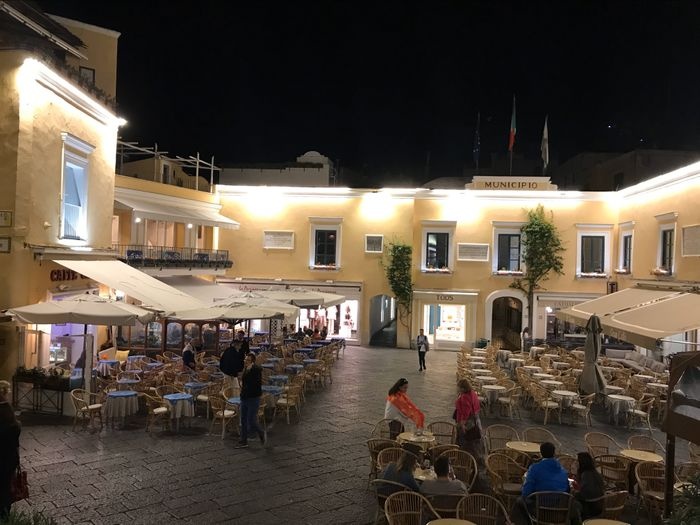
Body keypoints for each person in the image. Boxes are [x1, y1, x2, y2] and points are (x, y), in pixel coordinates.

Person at [511, 442, 569, 525]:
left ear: (541, 453)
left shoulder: (535, 468)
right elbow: (567, 489)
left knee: (519, 501)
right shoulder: (563, 471)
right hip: (560, 510)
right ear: (554, 453)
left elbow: (525, 493)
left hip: (540, 509)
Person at [236, 352, 266, 448]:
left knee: (251, 420)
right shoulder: (246, 368)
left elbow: (256, 383)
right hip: (244, 397)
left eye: (248, 360)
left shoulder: (256, 369)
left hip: (253, 398)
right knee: (243, 420)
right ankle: (243, 440)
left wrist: (246, 387)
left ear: (252, 361)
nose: (245, 361)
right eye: (245, 359)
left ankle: (260, 432)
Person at [0, 380, 21, 518]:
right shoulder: (7, 409)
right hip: (9, 458)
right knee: (5, 488)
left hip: (4, 457)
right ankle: (5, 515)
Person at [454, 379, 483, 462]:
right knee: (473, 441)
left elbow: (466, 412)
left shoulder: (465, 397)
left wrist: (462, 424)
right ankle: (473, 458)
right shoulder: (472, 393)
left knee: (463, 441)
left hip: (467, 422)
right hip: (475, 420)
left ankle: (462, 459)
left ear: (462, 388)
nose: (457, 388)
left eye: (458, 387)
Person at [573, 452, 605, 520]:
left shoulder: (586, 475)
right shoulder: (594, 472)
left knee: (571, 502)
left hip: (590, 507)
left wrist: (573, 492)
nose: (575, 462)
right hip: (599, 504)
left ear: (581, 463)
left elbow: (585, 495)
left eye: (577, 461)